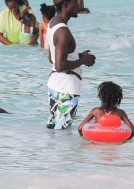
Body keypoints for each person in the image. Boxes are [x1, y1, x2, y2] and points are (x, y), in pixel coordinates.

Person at [46, 0, 96, 130]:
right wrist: (84, 61)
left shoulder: (52, 24)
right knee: (62, 131)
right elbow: (59, 65)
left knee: (53, 128)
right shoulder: (63, 31)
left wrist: (79, 56)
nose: (79, 6)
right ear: (66, 4)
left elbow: (52, 58)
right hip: (66, 87)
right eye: (75, 2)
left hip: (54, 85)